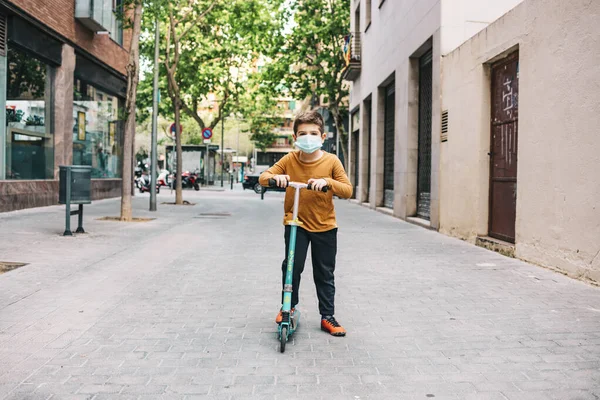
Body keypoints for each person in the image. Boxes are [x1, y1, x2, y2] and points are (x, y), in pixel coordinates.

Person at [259, 110, 353, 336]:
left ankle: (327, 316)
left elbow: (348, 190)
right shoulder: (290, 159)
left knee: (324, 272)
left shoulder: (331, 161)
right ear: (295, 138)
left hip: (325, 225)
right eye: (302, 133)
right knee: (291, 267)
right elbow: (264, 177)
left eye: (313, 133)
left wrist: (327, 182)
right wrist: (277, 178)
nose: (308, 137)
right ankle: (288, 308)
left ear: (322, 137)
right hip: (295, 224)